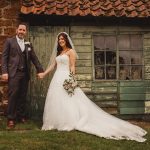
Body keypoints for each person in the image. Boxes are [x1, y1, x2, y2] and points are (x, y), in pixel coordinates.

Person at [39, 32, 147, 142]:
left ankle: (68, 121)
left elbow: (72, 66)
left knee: (69, 99)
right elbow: (53, 65)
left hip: (66, 77)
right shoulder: (60, 52)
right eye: (59, 39)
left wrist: (72, 79)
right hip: (57, 78)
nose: (61, 40)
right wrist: (44, 73)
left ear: (66, 40)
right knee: (57, 100)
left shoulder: (71, 51)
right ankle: (56, 122)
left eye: (62, 39)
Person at [1, 23, 44, 129]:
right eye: (20, 29)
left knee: (22, 96)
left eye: (24, 30)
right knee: (13, 95)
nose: (21, 31)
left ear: (26, 32)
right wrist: (4, 72)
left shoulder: (28, 44)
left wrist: (40, 70)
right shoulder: (9, 41)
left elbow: (34, 58)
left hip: (25, 74)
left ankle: (20, 116)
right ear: (17, 30)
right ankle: (11, 119)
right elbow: (4, 58)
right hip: (14, 73)